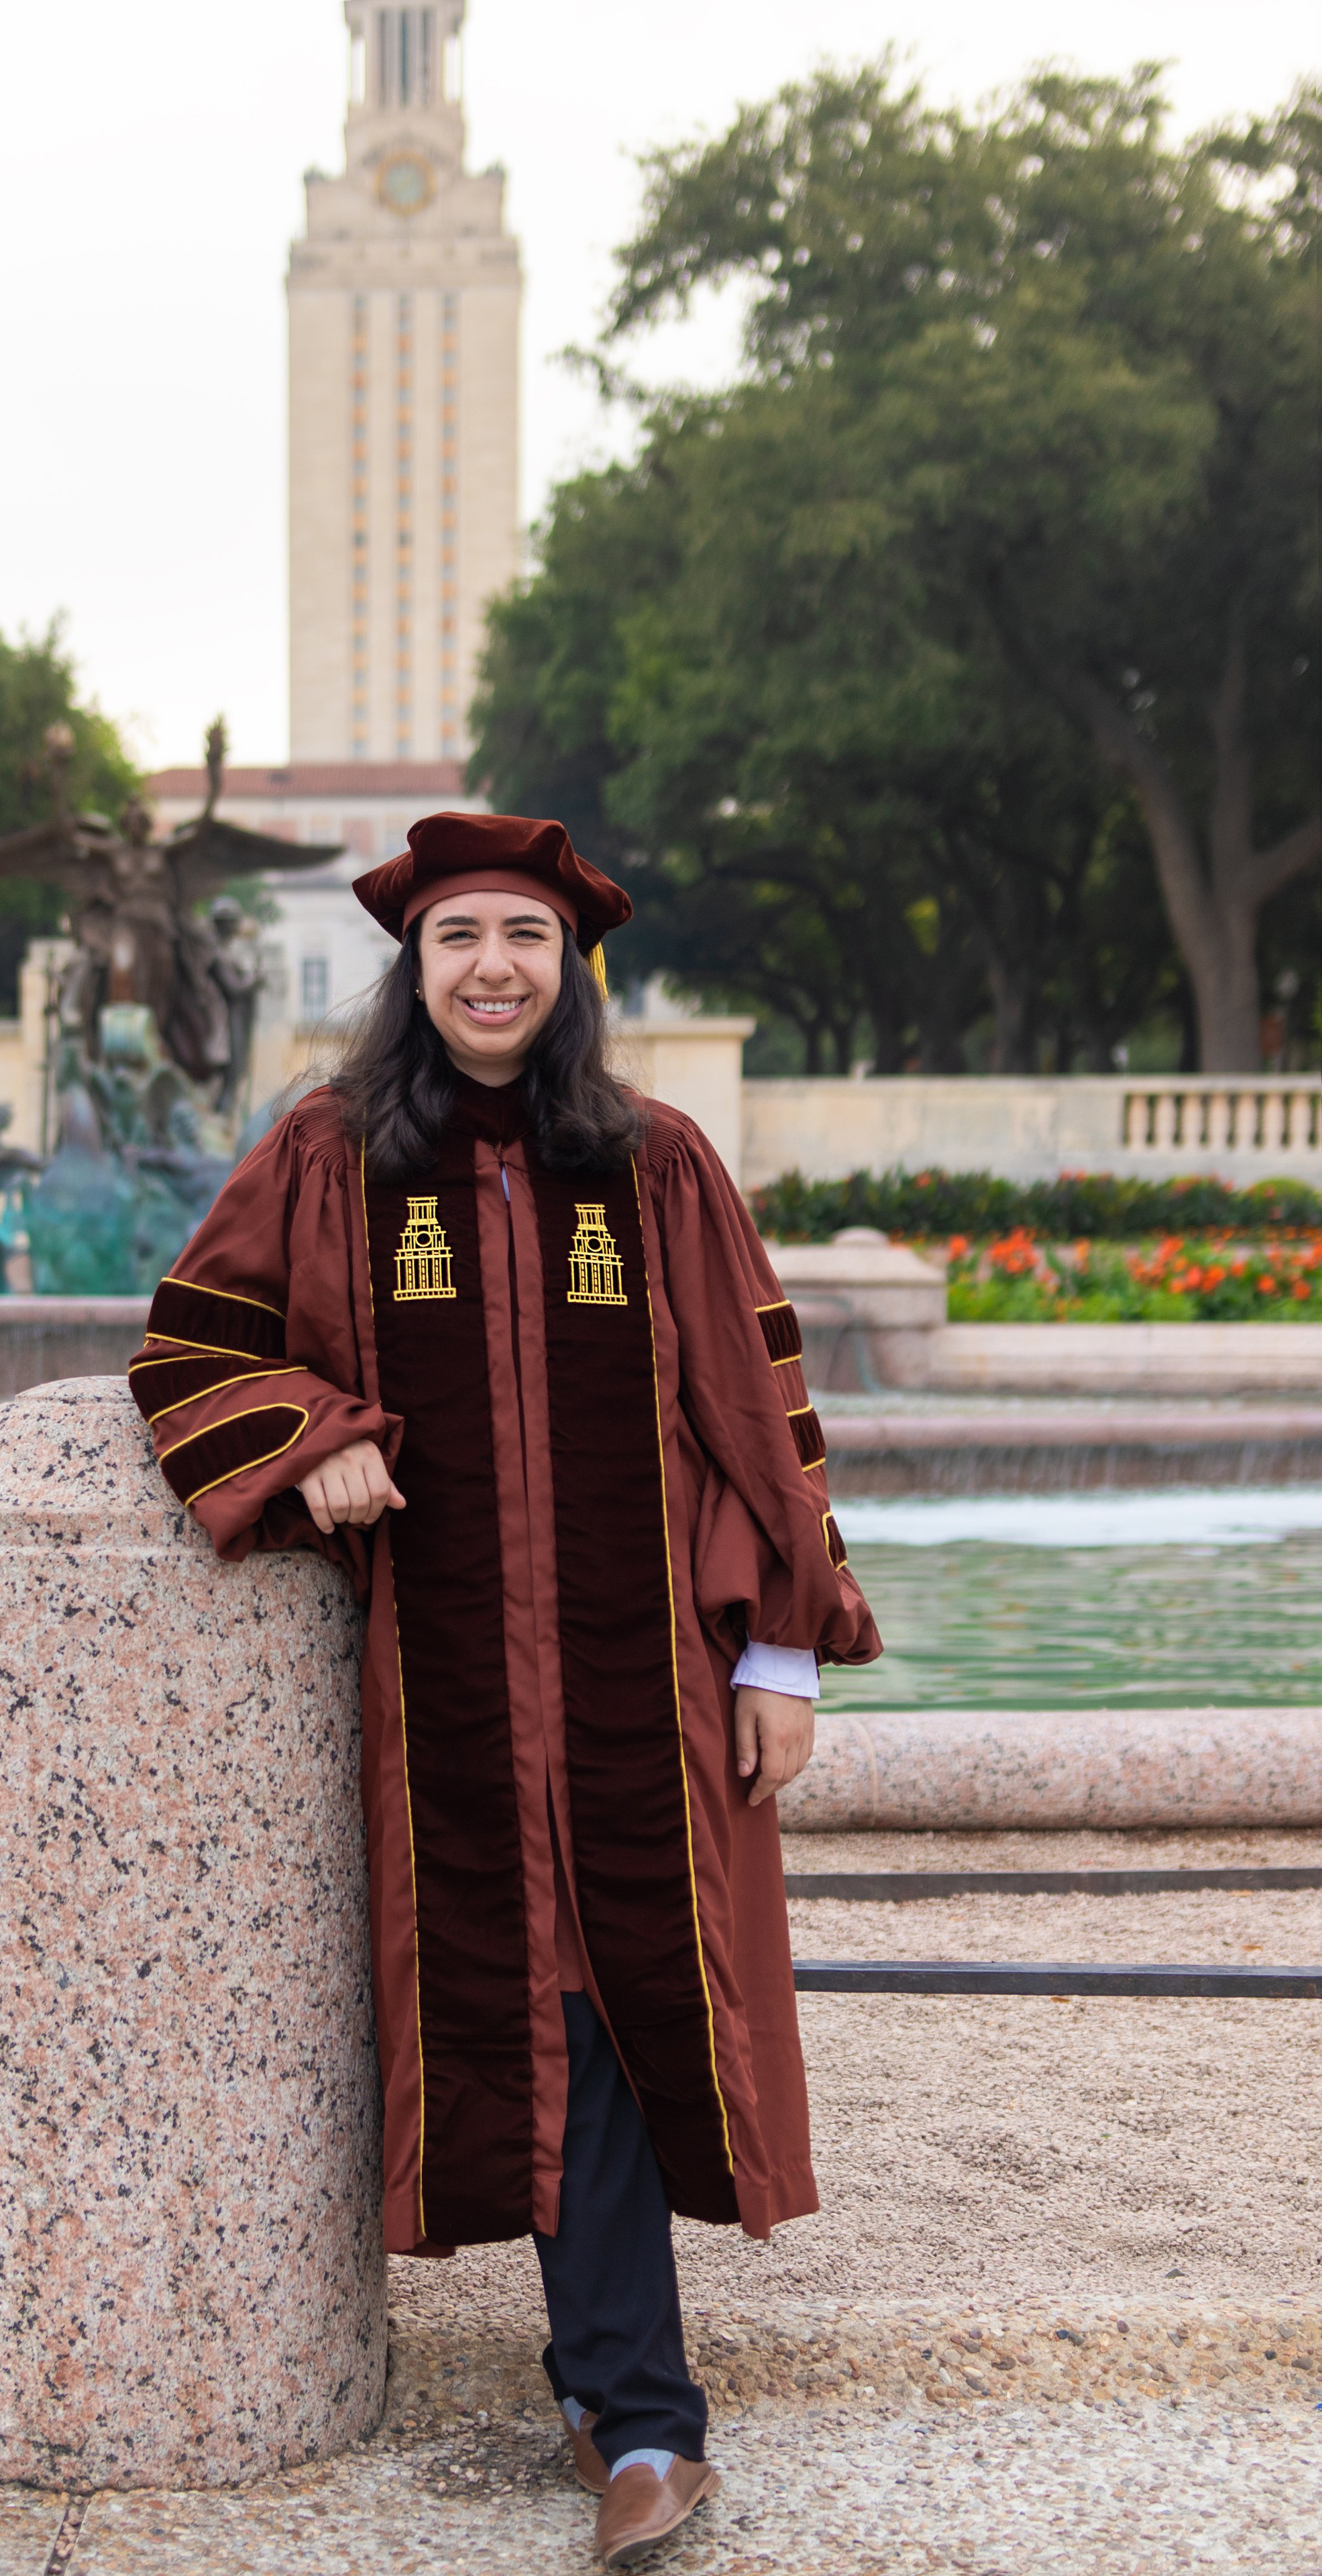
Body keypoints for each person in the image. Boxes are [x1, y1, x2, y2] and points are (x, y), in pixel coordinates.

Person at [127, 811, 881, 2565]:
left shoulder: (657, 1163)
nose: (492, 967)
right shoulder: (328, 1157)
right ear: (416, 967)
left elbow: (756, 1410)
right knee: (529, 2000)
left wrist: (782, 1650)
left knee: (618, 2004)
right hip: (437, 1697)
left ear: (571, 968)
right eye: (459, 936)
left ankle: (637, 2416)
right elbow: (192, 1347)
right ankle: (628, 2404)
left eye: (526, 938)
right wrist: (312, 1430)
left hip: (646, 1689)